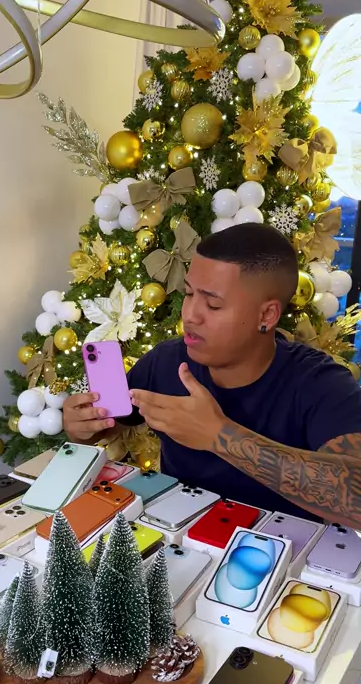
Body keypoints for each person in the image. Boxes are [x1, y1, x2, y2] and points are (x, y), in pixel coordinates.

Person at [63, 224, 361, 528]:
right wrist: (82, 426)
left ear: (267, 315)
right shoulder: (167, 361)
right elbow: (108, 425)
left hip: (283, 549)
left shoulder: (321, 383)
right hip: (179, 539)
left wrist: (219, 436)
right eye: (189, 293)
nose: (190, 314)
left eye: (213, 304)